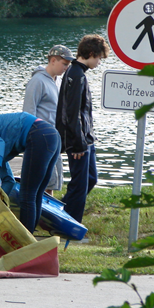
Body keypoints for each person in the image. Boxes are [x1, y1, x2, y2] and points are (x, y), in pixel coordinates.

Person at [56, 34, 110, 223]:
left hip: (86, 138)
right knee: (80, 184)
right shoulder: (76, 75)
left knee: (91, 178)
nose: (99, 62)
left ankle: (60, 211)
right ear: (91, 53)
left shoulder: (78, 73)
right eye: (99, 58)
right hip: (78, 140)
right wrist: (78, 144)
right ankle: (71, 223)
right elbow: (72, 114)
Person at [22, 44, 73, 195]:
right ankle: (38, 209)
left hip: (54, 138)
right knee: (41, 180)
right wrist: (30, 139)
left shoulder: (58, 81)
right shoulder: (37, 81)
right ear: (53, 60)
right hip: (40, 138)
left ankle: (47, 208)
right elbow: (28, 112)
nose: (66, 68)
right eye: (64, 64)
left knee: (52, 180)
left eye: (68, 65)